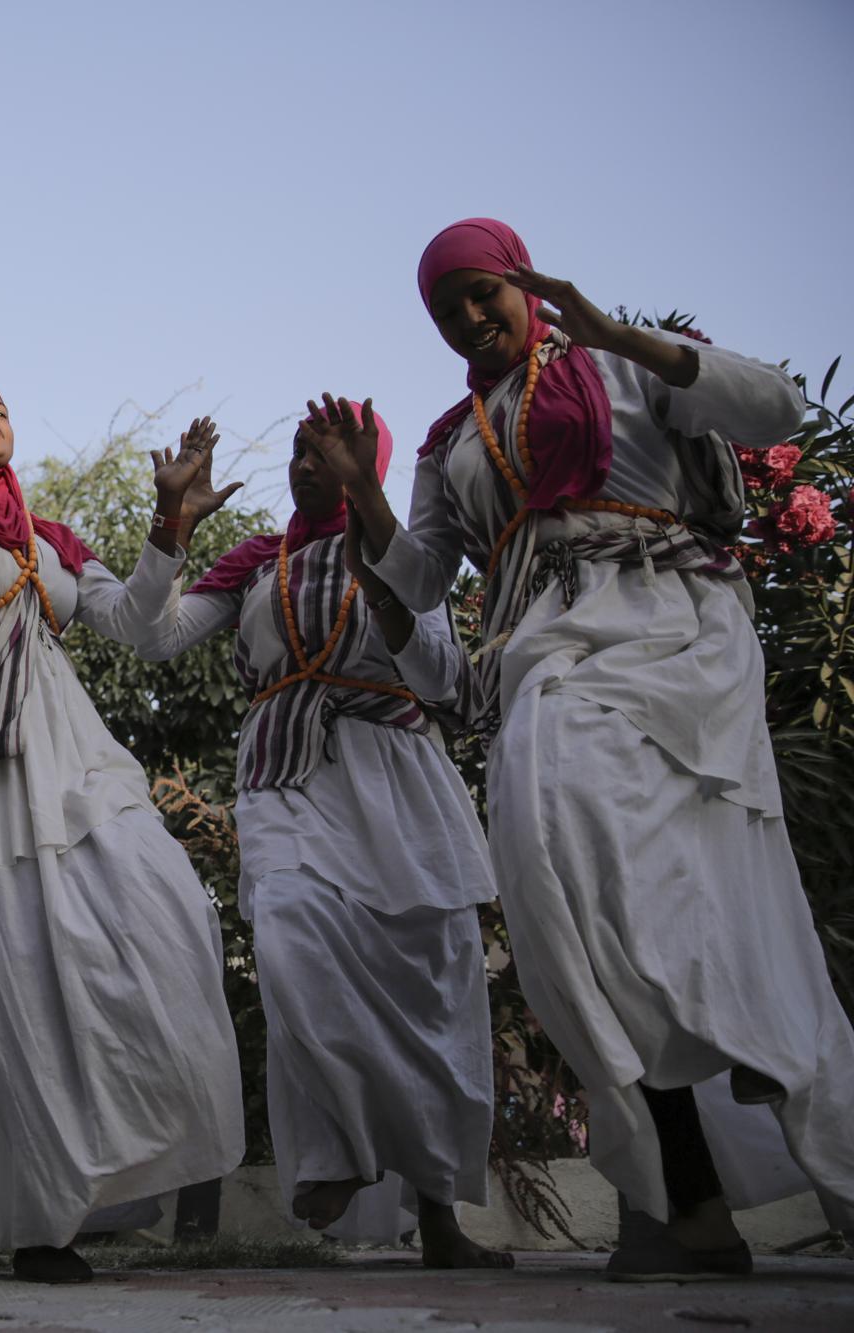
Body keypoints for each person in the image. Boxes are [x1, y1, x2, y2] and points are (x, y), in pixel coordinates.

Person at [302, 216, 854, 1279]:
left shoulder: (619, 364)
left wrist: (621, 334)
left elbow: (775, 406)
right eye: (444, 309)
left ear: (521, 281)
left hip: (670, 639)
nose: (467, 320)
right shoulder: (448, 440)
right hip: (545, 655)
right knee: (572, 910)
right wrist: (358, 490)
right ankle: (682, 1197)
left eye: (481, 293)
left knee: (697, 903)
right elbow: (415, 582)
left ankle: (717, 1164)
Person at [0, 383, 244, 1284]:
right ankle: (43, 1222)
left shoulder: (47, 535)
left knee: (162, 913)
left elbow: (138, 629)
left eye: (1, 404)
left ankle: (120, 1160)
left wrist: (168, 523)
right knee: (10, 992)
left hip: (66, 758)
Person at [138, 405, 510, 1267]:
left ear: (366, 461)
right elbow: (156, 638)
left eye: (329, 450)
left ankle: (442, 1221)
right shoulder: (259, 561)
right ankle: (339, 1151)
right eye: (301, 450)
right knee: (293, 944)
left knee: (431, 991)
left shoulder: (406, 559)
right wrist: (173, 525)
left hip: (397, 784)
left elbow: (448, 682)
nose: (309, 463)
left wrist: (387, 600)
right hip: (286, 781)